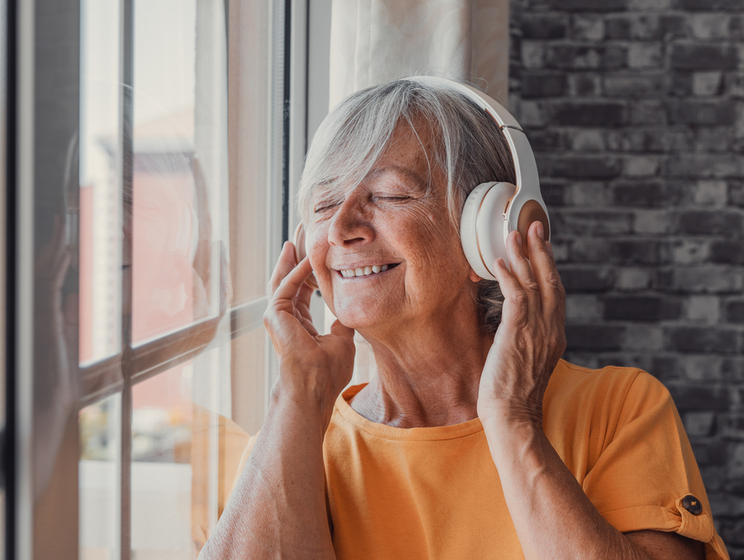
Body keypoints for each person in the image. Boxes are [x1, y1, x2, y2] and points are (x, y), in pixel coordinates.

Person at [199, 77, 729, 559]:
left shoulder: (622, 410)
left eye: (387, 194)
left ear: (492, 231)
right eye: (322, 205)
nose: (340, 229)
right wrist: (297, 390)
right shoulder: (293, 441)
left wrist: (512, 419)